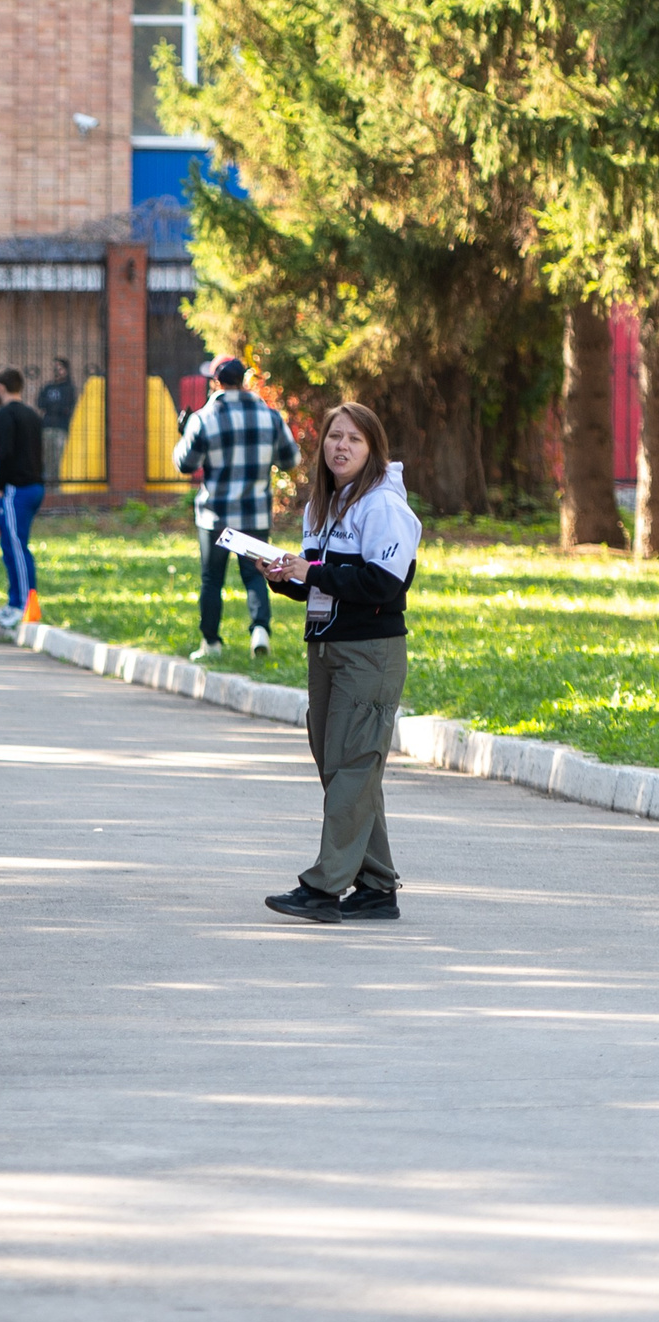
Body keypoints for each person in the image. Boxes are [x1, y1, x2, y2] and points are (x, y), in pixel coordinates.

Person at [260, 404, 421, 923]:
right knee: (343, 767)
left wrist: (313, 573)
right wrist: (285, 576)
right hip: (327, 648)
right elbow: (320, 583)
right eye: (334, 436)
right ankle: (376, 887)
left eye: (354, 438)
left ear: (373, 449)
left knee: (352, 767)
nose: (341, 446)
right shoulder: (324, 506)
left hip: (369, 652)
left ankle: (324, 888)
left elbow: (383, 584)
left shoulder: (383, 506)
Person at [174, 353, 299, 660]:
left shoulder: (204, 418)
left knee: (212, 579)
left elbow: (185, 464)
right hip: (255, 513)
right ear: (243, 380)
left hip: (215, 516)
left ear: (216, 382)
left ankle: (211, 643)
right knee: (256, 575)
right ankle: (260, 630)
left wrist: (185, 431)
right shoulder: (269, 416)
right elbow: (291, 459)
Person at [0, 366, 48, 614]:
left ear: (0, 387)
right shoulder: (32, 414)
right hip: (34, 485)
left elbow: (5, 453)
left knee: (15, 546)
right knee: (10, 544)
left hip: (16, 488)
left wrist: (0, 486)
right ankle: (14, 601)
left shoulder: (5, 414)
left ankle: (25, 604)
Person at [36, 357, 77, 487]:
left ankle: (58, 483)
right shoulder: (48, 387)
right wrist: (55, 407)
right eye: (55, 368)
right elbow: (40, 403)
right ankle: (49, 482)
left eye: (60, 368)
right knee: (48, 457)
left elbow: (67, 406)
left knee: (59, 456)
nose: (57, 371)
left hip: (61, 427)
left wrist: (54, 407)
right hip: (47, 426)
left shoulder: (69, 388)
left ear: (66, 370)